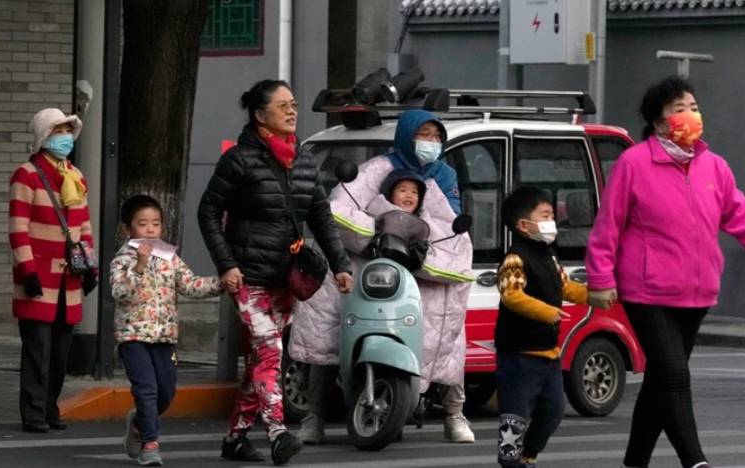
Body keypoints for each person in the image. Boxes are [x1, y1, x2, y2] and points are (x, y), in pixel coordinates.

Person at [585, 76, 745, 468]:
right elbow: (607, 227)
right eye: (680, 109)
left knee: (661, 380)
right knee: (675, 374)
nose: (691, 115)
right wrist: (600, 279)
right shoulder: (635, 163)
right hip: (646, 291)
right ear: (659, 122)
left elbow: (740, 213)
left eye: (694, 107)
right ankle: (696, 462)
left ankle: (634, 463)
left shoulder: (713, 166)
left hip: (696, 291)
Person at [289, 110, 476, 444]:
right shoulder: (378, 169)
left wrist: (419, 250)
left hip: (418, 274)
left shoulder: (442, 178)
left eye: (436, 136)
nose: (430, 142)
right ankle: (314, 416)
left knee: (451, 331)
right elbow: (339, 210)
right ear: (406, 135)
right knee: (328, 319)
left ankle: (454, 413)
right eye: (423, 134)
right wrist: (377, 233)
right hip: (367, 264)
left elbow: (451, 230)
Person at [197, 79, 353, 465]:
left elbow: (319, 213)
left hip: (287, 276)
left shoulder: (301, 156)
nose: (292, 110)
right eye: (282, 105)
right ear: (259, 114)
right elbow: (208, 212)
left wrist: (340, 265)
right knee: (270, 352)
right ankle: (278, 433)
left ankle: (235, 438)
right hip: (248, 277)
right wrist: (226, 264)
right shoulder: (239, 159)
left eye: (294, 104)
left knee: (261, 361)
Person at [111, 195, 222, 466]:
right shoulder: (122, 259)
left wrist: (222, 283)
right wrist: (138, 266)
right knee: (146, 389)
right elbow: (120, 293)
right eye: (142, 224)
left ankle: (139, 422)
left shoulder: (168, 257)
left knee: (166, 392)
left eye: (156, 224)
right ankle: (150, 443)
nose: (150, 229)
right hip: (133, 336)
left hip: (164, 336)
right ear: (128, 230)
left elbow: (190, 285)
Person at [9, 108, 97, 433]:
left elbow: (84, 225)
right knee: (37, 351)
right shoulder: (26, 174)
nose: (65, 137)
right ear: (44, 136)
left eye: (67, 130)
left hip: (69, 279)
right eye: (58, 131)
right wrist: (28, 271)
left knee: (60, 353)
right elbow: (18, 229)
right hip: (37, 279)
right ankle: (33, 412)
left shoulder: (75, 175)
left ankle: (49, 407)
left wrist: (90, 266)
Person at [495, 186, 587, 468]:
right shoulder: (515, 258)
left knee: (553, 411)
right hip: (519, 353)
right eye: (545, 215)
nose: (552, 222)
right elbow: (511, 294)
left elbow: (566, 287)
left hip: (548, 352)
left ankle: (527, 455)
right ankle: (510, 459)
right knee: (516, 415)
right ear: (524, 225)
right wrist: (547, 312)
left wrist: (597, 294)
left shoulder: (549, 256)